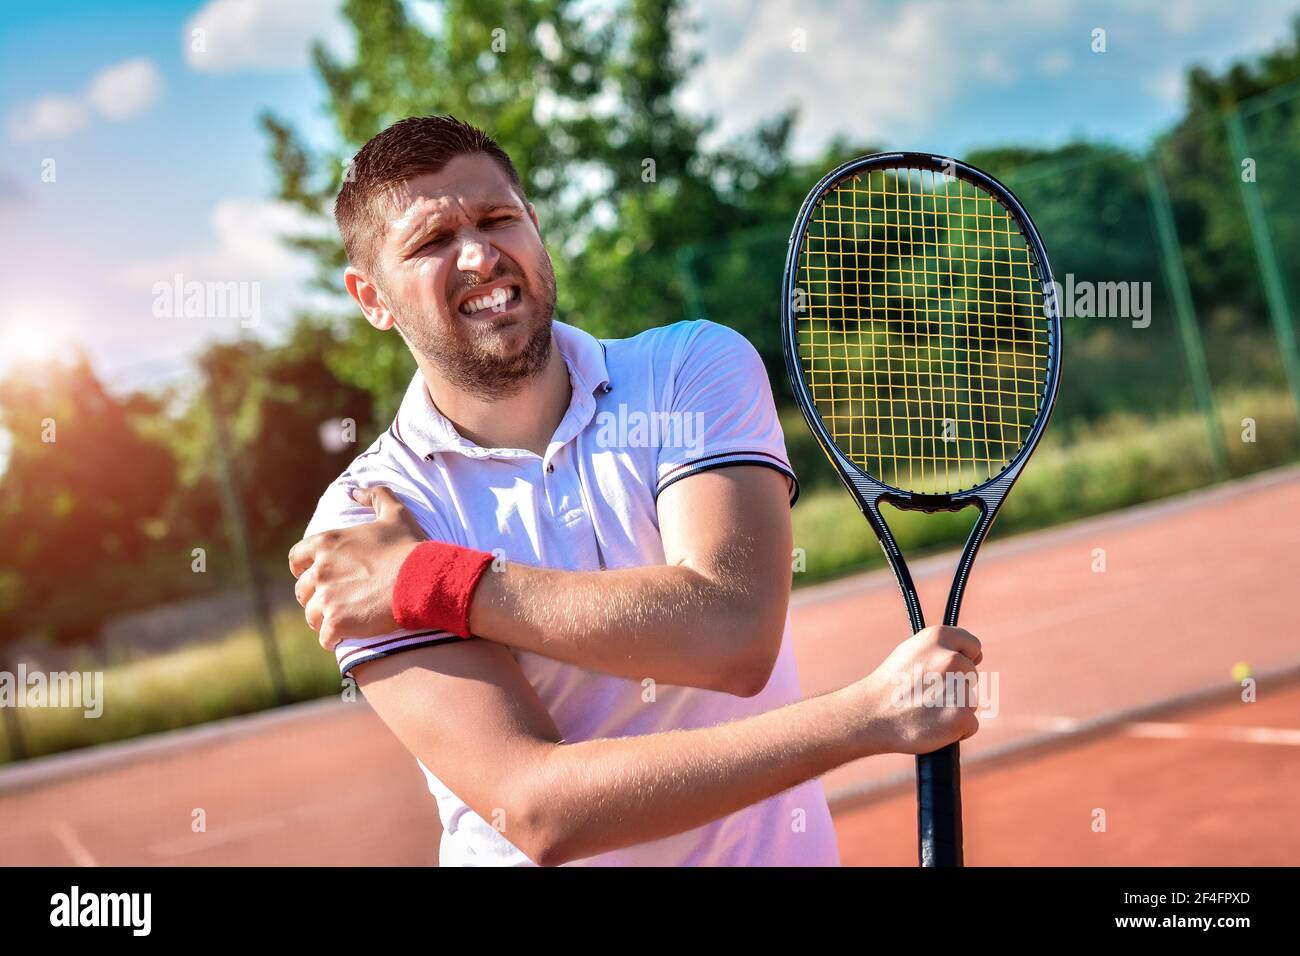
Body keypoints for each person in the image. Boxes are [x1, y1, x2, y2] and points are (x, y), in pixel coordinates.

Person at [288, 114, 981, 867]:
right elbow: (536, 807)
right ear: (372, 298)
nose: (480, 255)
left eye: (498, 218)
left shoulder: (691, 367)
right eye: (430, 242)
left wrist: (431, 580)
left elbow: (732, 635)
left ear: (536, 227)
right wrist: (865, 717)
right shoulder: (364, 524)